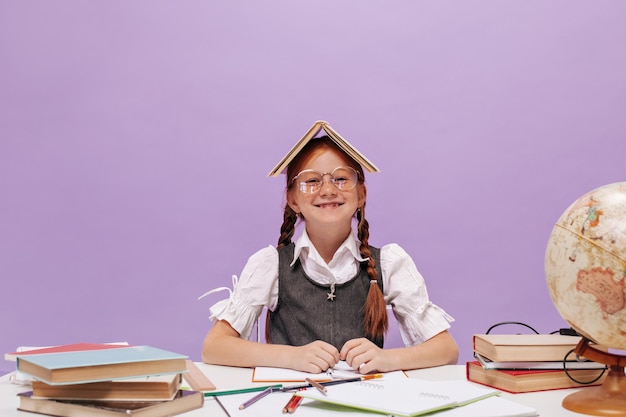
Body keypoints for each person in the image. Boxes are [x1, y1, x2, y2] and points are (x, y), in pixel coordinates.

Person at [202, 122, 459, 374]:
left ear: (361, 195)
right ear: (292, 199)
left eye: (340, 179)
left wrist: (386, 359)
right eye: (311, 181)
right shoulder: (269, 264)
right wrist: (292, 357)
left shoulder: (389, 263)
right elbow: (214, 347)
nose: (327, 190)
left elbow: (446, 350)